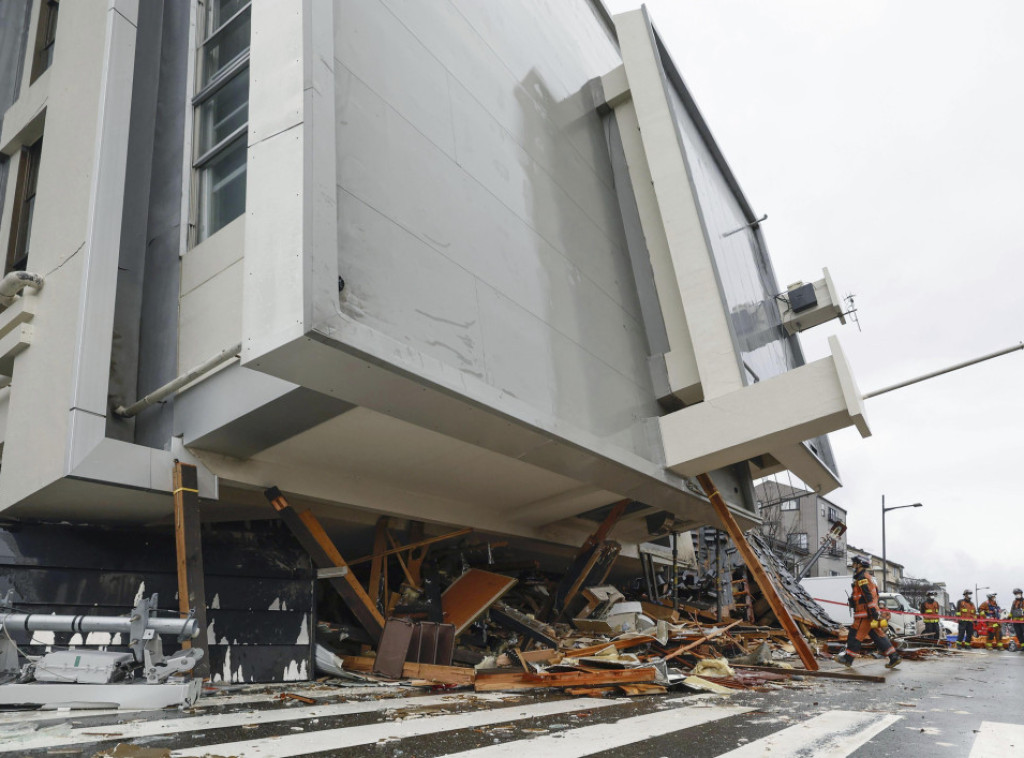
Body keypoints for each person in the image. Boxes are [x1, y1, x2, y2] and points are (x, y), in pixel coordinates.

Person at [835, 555, 901, 668]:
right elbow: (867, 595)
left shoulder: (862, 578)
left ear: (860, 564)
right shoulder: (864, 577)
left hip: (864, 614)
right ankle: (894, 657)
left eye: (855, 563)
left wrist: (872, 612)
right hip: (869, 613)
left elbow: (868, 596)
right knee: (878, 636)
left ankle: (848, 658)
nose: (853, 565)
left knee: (855, 634)